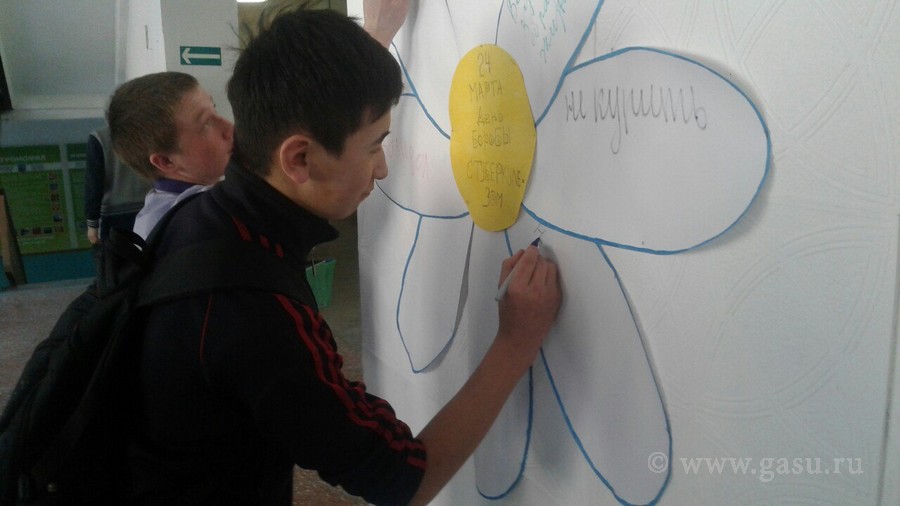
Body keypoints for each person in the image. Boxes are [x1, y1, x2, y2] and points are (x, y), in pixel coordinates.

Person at [126, 7, 561, 506]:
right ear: (299, 158)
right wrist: (515, 342)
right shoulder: (254, 315)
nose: (382, 168)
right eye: (374, 146)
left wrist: (375, 38)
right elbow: (402, 480)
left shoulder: (201, 215)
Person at [106, 71, 233, 239]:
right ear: (165, 161)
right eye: (206, 124)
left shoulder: (163, 210)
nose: (230, 128)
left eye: (214, 109)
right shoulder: (201, 226)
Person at [83, 125, 150, 244]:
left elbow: (94, 184)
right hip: (149, 209)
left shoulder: (100, 137)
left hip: (113, 215)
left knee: (115, 255)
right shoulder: (150, 133)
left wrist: (92, 223)